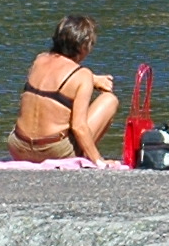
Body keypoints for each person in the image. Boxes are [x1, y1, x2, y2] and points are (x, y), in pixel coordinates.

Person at [9, 15, 119, 164]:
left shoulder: (39, 60)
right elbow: (79, 127)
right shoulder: (82, 75)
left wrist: (94, 79)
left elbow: (55, 76)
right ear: (83, 46)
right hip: (53, 152)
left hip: (18, 148)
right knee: (109, 100)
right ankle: (88, 156)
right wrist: (99, 162)